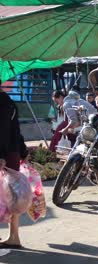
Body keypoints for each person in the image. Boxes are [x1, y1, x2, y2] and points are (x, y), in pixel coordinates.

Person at [0, 89, 28, 248]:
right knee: (11, 195)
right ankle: (14, 237)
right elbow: (16, 130)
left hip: (5, 154)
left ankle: (14, 237)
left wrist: (1, 155)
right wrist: (23, 150)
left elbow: (2, 130)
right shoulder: (8, 101)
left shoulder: (2, 102)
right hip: (11, 151)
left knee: (10, 195)